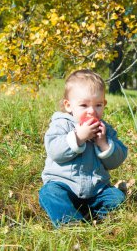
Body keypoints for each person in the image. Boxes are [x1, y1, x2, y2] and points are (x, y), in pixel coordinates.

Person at [39, 69, 128, 228]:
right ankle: (70, 223)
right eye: (84, 105)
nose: (92, 111)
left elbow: (117, 160)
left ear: (104, 104)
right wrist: (78, 137)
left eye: (98, 105)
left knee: (116, 197)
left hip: (96, 190)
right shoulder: (61, 124)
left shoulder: (105, 130)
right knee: (49, 194)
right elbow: (54, 151)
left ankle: (97, 218)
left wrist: (103, 144)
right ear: (68, 105)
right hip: (63, 185)